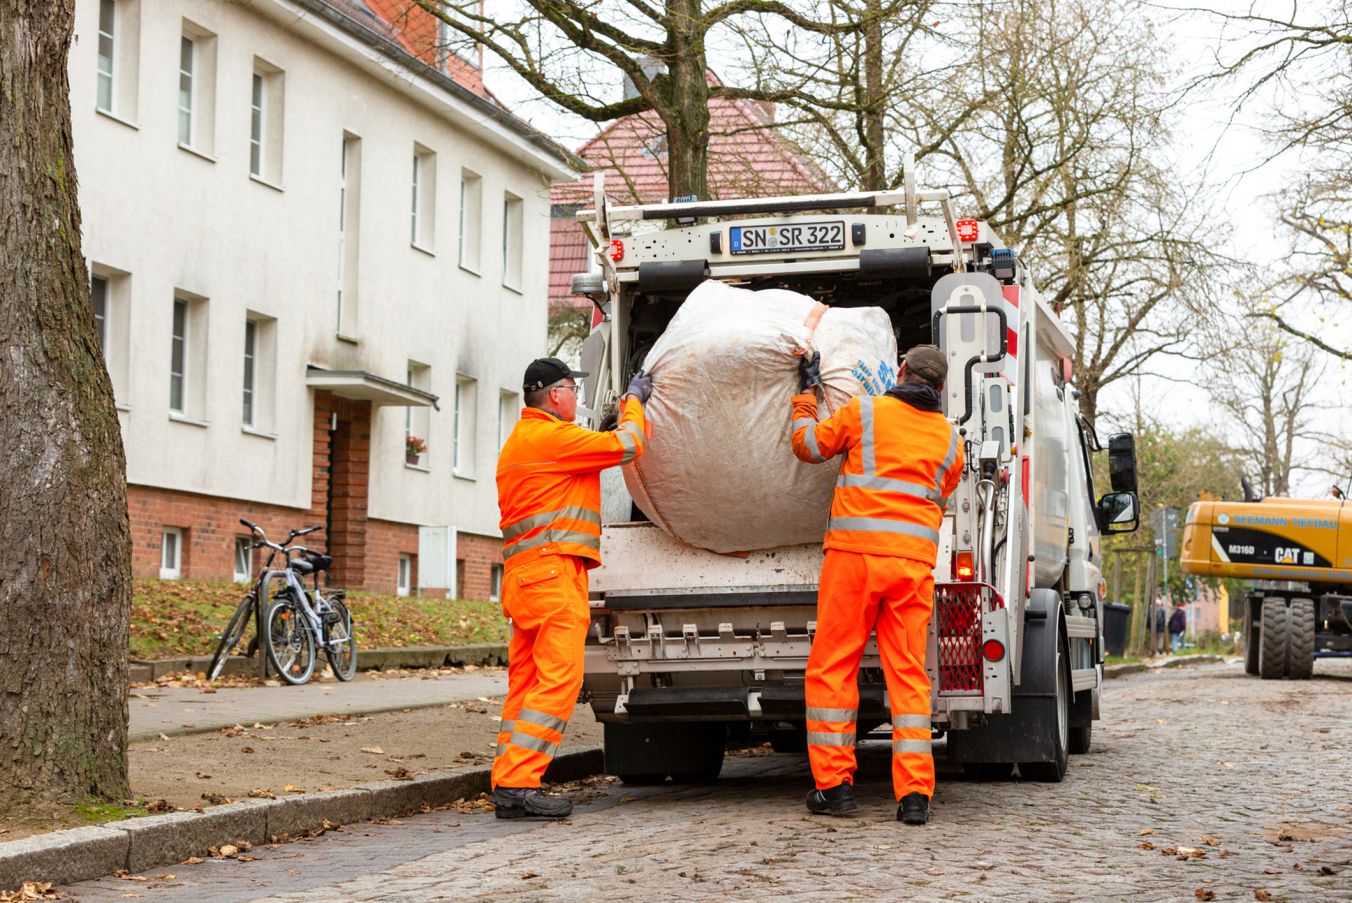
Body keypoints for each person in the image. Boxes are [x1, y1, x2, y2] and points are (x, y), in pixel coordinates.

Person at [790, 344, 963, 826]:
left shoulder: (864, 411)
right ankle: (915, 796)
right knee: (908, 677)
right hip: (912, 568)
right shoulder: (950, 439)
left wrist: (805, 397)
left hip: (855, 560)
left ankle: (834, 788)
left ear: (901, 370)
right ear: (940, 388)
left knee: (833, 667)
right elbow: (940, 496)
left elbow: (808, 447)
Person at [489, 358, 652, 819]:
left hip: (524, 577)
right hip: (552, 575)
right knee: (559, 680)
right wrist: (634, 401)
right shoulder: (554, 438)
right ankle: (519, 783)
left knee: (525, 685)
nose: (577, 398)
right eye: (573, 390)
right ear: (556, 395)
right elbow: (628, 445)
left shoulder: (522, 440)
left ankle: (507, 780)